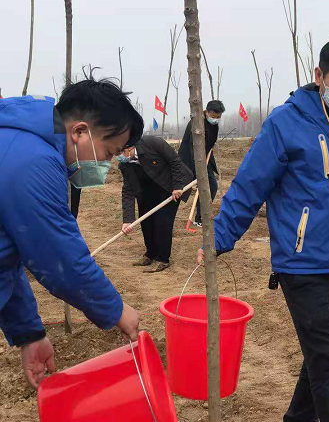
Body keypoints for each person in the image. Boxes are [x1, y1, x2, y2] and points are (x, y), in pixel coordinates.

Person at [198, 36, 329, 422]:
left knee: (328, 357)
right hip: (302, 263)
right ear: (319, 76)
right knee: (327, 364)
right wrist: (220, 235)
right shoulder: (287, 122)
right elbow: (250, 184)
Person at [0, 78, 144, 388]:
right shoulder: (33, 161)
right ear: (79, 131)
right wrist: (117, 309)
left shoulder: (19, 142)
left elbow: (5, 260)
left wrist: (29, 334)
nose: (107, 163)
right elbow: (59, 259)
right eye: (108, 152)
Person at [119, 136, 194, 273]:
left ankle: (162, 258)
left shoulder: (153, 143)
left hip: (169, 186)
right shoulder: (125, 164)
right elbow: (128, 190)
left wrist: (177, 186)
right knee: (146, 222)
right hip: (148, 189)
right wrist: (127, 220)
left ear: (130, 148)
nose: (118, 157)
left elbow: (175, 161)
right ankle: (151, 253)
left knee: (162, 222)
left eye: (120, 153)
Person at [178, 100, 225, 227]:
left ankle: (201, 218)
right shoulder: (197, 123)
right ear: (207, 112)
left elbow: (210, 141)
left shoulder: (213, 124)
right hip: (189, 158)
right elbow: (192, 147)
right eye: (214, 116)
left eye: (218, 117)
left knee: (212, 185)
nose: (215, 119)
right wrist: (198, 169)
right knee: (181, 188)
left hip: (205, 158)